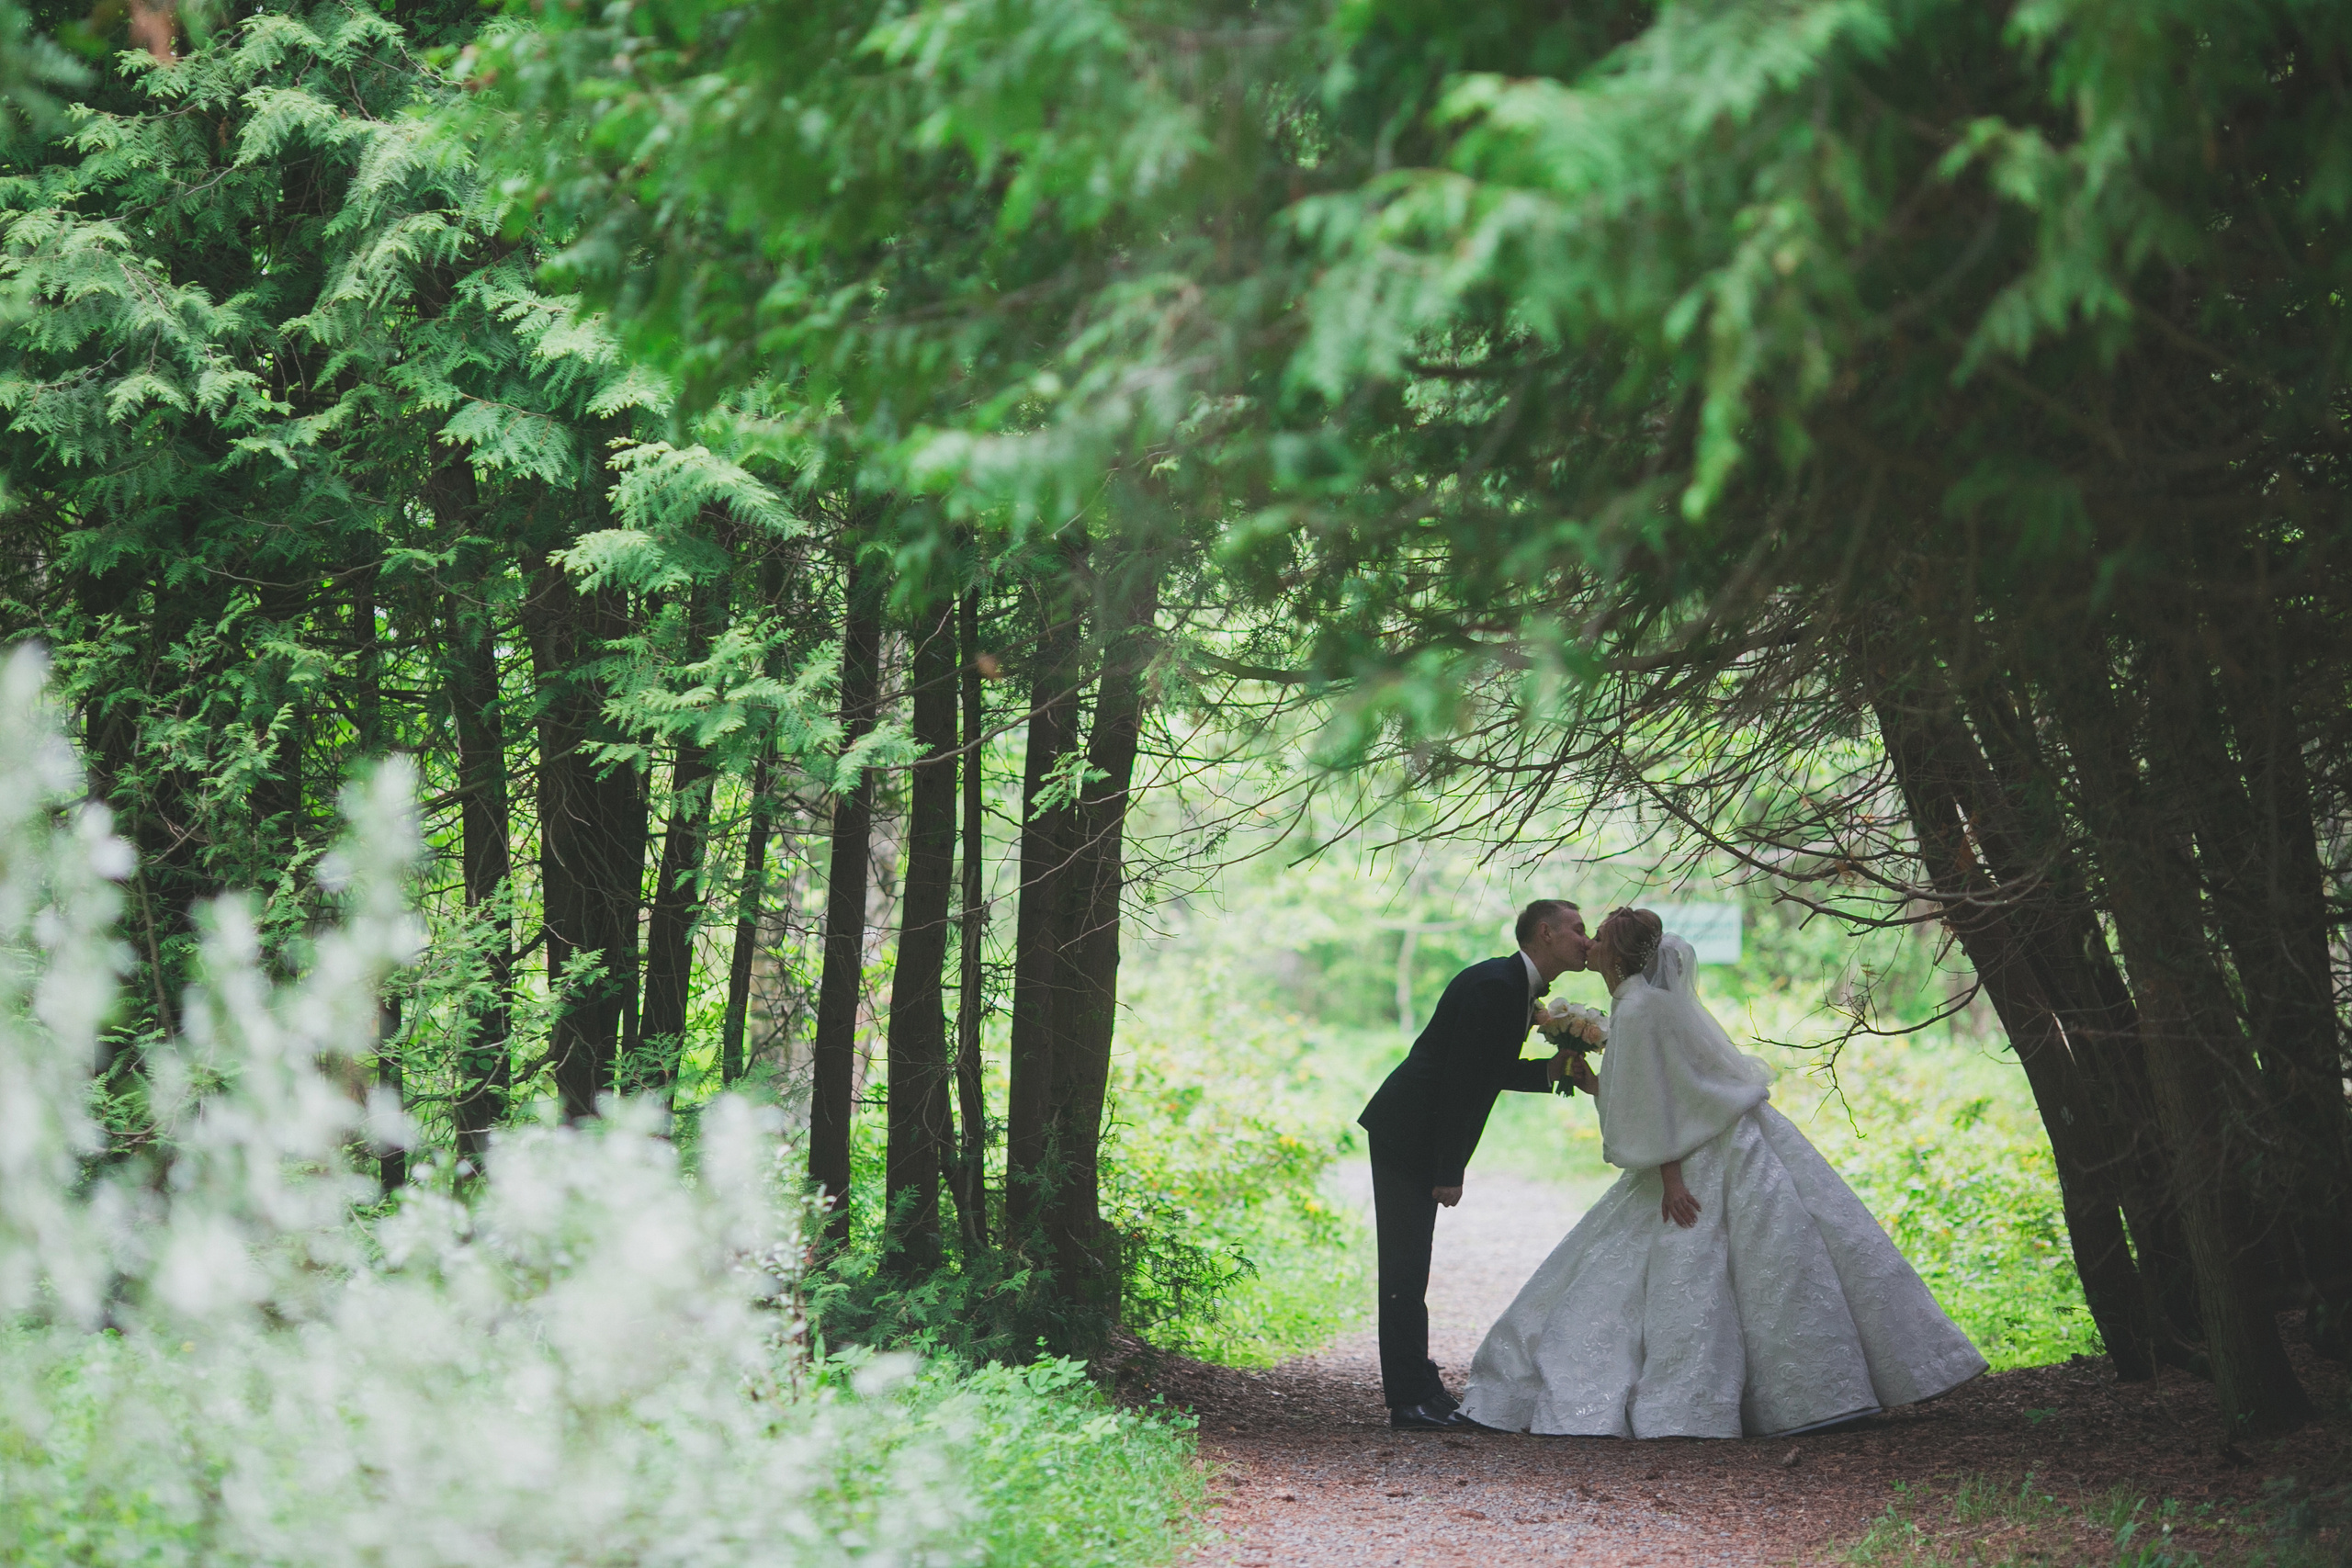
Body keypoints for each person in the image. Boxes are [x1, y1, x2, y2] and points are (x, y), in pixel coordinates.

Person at [1458, 907, 1987, 1439]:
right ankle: (1810, 1390)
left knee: (1696, 1264)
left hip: (1688, 1155)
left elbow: (1657, 1107)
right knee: (1770, 1260)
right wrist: (1595, 1084)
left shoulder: (1639, 1008)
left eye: (1597, 938)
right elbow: (1659, 1089)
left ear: (1616, 955)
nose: (1589, 944)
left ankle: (1718, 1399)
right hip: (1721, 1137)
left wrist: (1669, 1177)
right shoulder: (1647, 1003)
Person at [1357, 898, 1600, 1431]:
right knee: (1403, 1266)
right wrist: (1449, 1169)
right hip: (1408, 1133)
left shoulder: (1513, 985)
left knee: (1412, 1265)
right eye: (1578, 929)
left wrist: (1551, 1070)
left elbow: (1488, 1068)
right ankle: (1407, 1400)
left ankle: (1421, 1384)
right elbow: (1461, 1079)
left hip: (1416, 1130)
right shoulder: (1496, 984)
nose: (1587, 939)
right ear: (1545, 932)